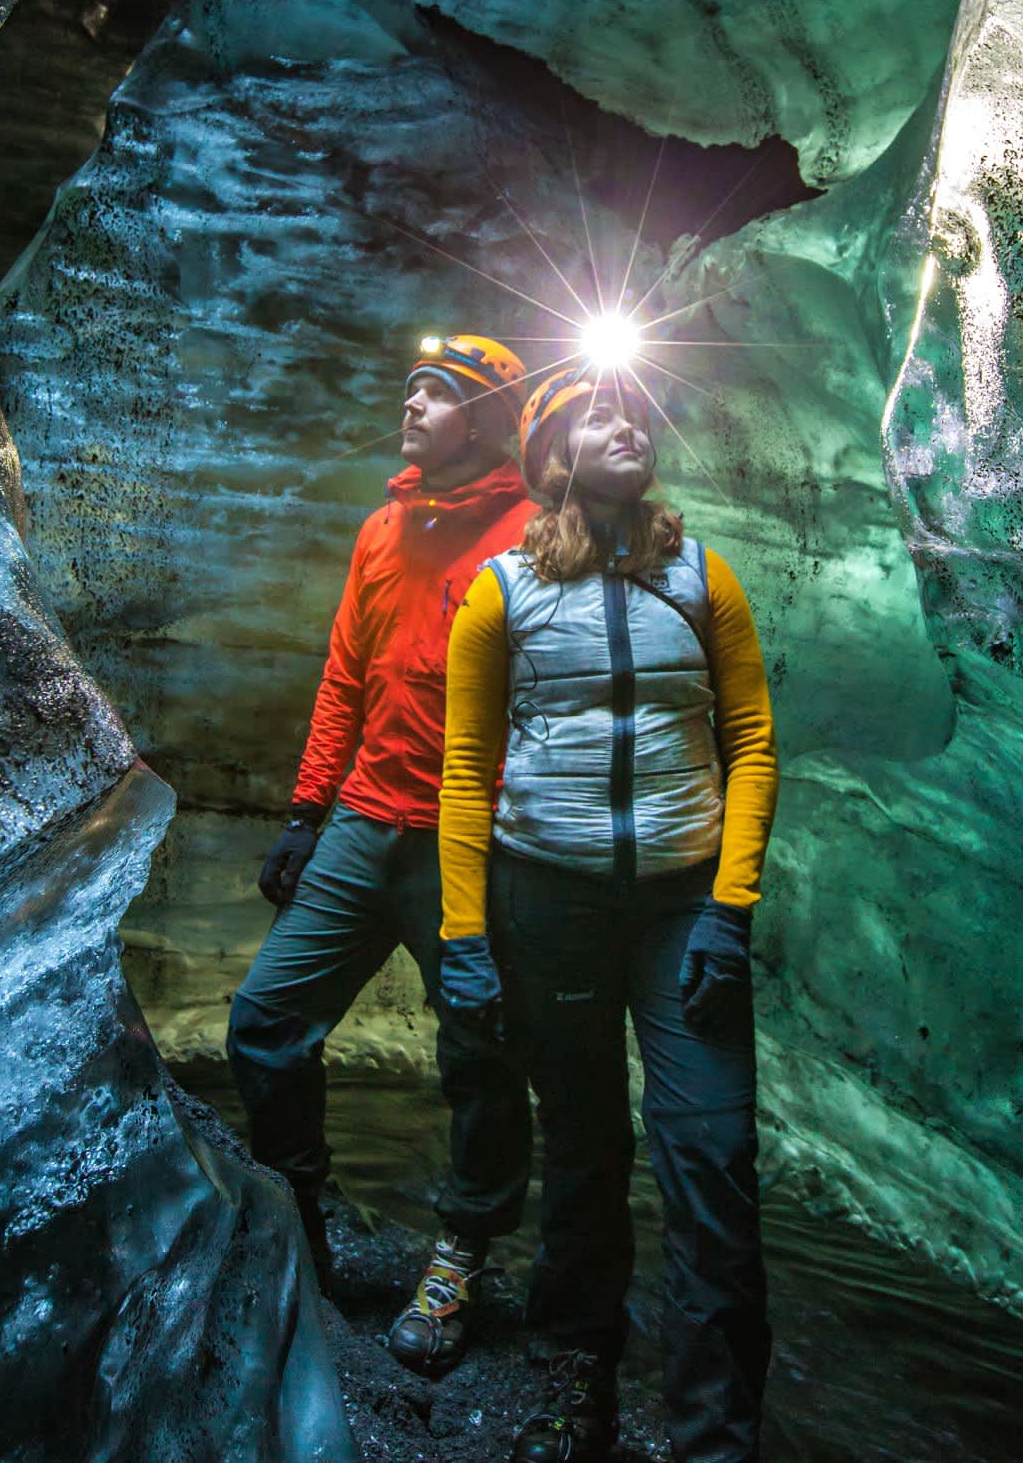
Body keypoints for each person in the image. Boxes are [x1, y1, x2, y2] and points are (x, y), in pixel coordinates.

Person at [437, 365, 779, 1463]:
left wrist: (731, 911)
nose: (625, 421)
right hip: (549, 905)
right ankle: (570, 1392)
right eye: (594, 413)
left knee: (713, 1163)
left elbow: (754, 744)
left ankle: (714, 1442)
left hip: (686, 911)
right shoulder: (501, 592)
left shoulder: (705, 576)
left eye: (634, 410)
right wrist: (464, 940)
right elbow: (464, 770)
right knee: (583, 1153)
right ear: (547, 459)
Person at [228, 334, 538, 1376]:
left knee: (480, 1054)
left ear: (490, 417)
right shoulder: (380, 531)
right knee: (266, 1024)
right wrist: (308, 811)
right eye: (411, 387)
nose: (412, 404)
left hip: (473, 842)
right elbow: (344, 678)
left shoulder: (535, 534)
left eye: (439, 392)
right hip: (366, 821)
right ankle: (300, 1214)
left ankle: (462, 1252)